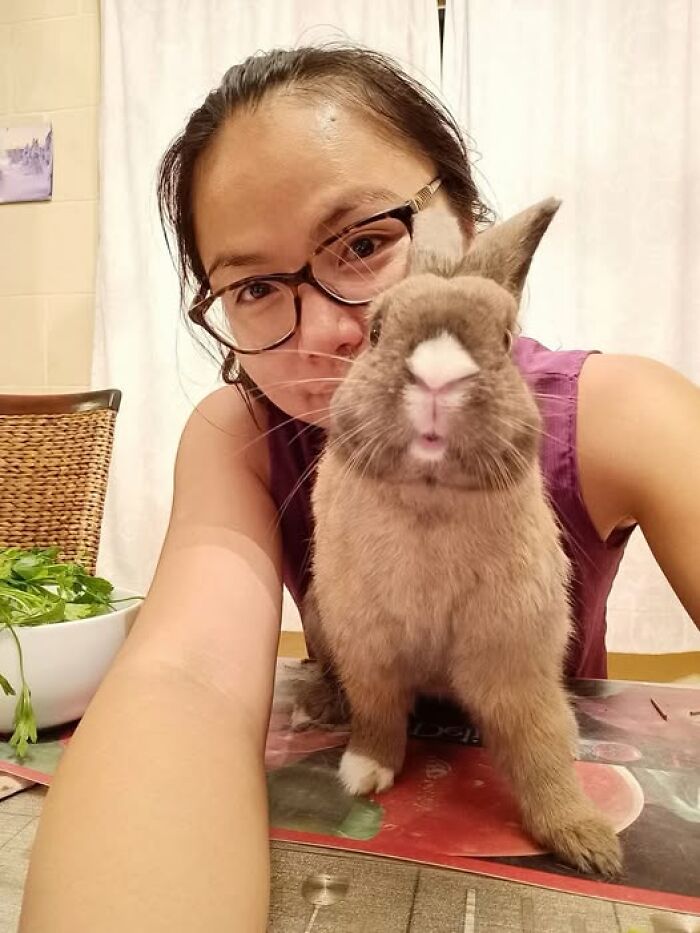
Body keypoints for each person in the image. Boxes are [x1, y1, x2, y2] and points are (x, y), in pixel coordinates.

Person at [20, 46, 700, 932]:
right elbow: (186, 675)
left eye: (367, 244)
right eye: (256, 287)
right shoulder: (243, 436)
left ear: (463, 226)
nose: (329, 333)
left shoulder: (618, 410)